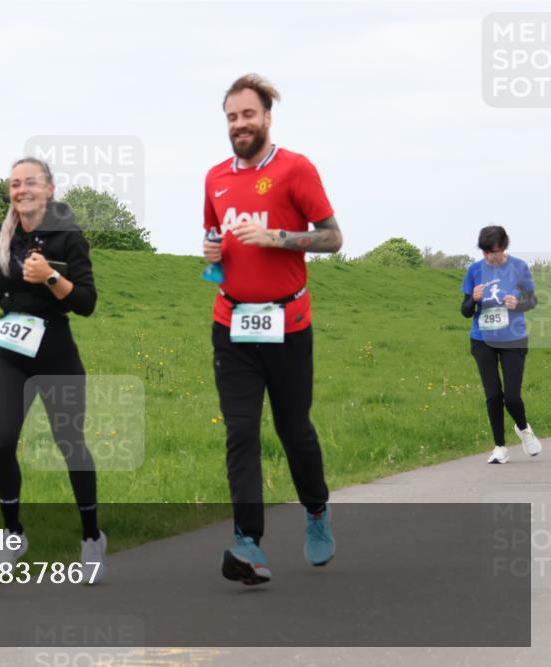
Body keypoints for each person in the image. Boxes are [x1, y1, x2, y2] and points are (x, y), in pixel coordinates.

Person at [202, 74, 344, 586]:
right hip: (232, 323)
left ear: (267, 118)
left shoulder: (295, 169)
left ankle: (315, 510)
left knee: (293, 430)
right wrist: (212, 256)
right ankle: (248, 543)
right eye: (232, 117)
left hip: (288, 323)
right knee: (240, 431)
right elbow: (213, 240)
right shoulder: (215, 177)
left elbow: (333, 239)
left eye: (248, 115)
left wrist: (276, 237)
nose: (240, 124)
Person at [0, 157, 106, 584]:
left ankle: (91, 537)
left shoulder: (68, 236)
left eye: (30, 183)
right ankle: (12, 534)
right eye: (14, 184)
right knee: (2, 438)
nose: (21, 189)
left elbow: (86, 302)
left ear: (49, 189)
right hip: (12, 350)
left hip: (56, 350)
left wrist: (49, 278)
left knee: (69, 442)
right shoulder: (1, 235)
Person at [461, 225, 542, 464]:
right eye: (485, 252)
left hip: (513, 339)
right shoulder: (474, 270)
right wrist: (473, 300)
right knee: (493, 395)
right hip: (482, 339)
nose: (489, 257)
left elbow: (532, 300)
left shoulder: (519, 267)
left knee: (512, 397)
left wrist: (517, 302)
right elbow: (465, 311)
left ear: (504, 247)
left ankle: (524, 430)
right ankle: (499, 447)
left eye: (493, 252)